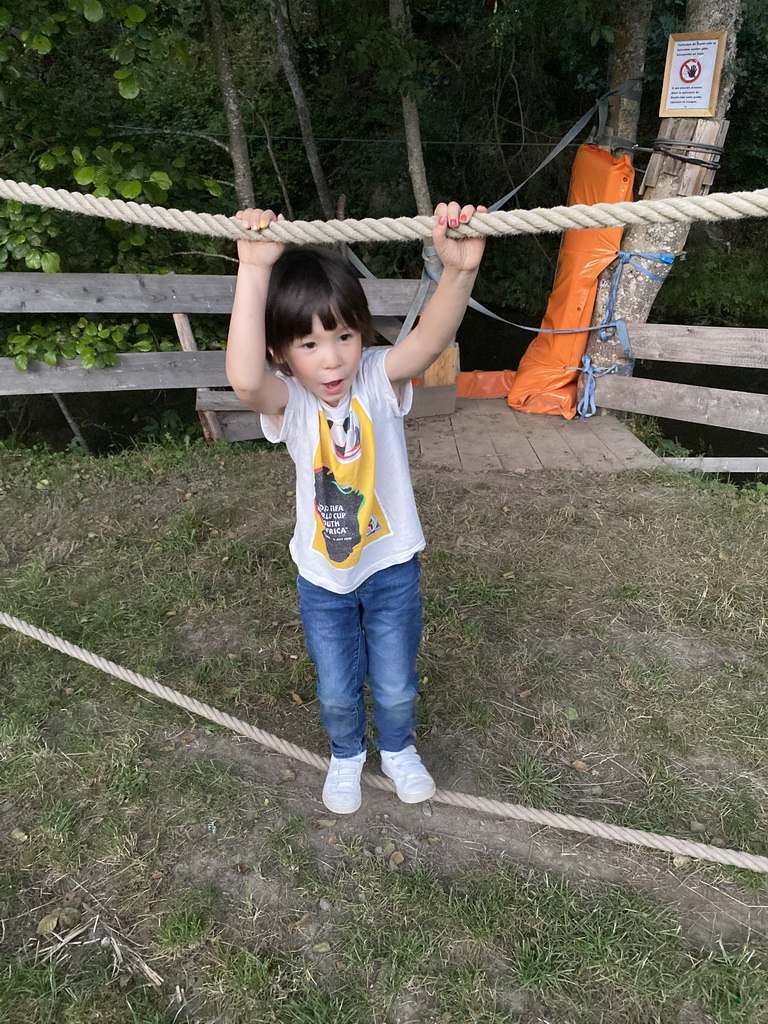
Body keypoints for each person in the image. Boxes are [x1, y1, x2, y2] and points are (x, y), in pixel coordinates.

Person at [226, 201, 487, 814]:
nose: (333, 358)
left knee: (394, 683)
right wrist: (254, 267)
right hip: (324, 578)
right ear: (282, 354)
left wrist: (459, 273)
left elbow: (426, 342)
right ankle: (347, 753)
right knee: (338, 688)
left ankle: (396, 748)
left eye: (344, 336)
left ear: (362, 335)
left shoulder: (376, 377)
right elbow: (242, 378)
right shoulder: (288, 401)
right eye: (310, 344)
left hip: (392, 565)